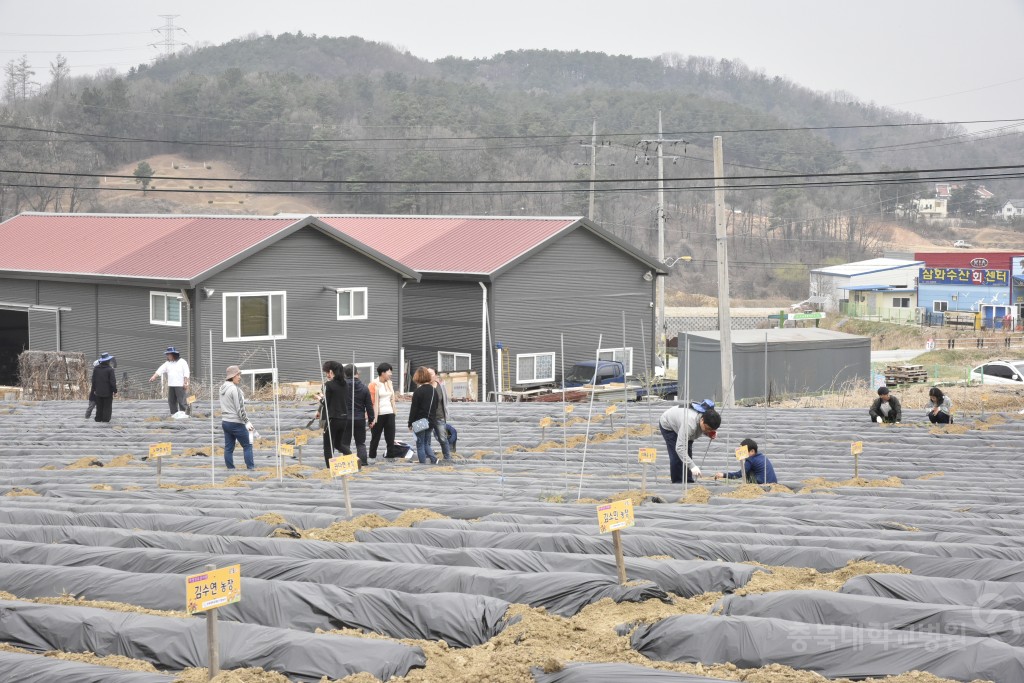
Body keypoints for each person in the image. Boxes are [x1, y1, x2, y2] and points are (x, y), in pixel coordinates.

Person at [658, 399, 721, 484]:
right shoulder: (690, 424)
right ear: (702, 420)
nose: (708, 430)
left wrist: (709, 433)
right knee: (676, 456)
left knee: (687, 454)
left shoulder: (709, 417)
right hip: (669, 425)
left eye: (711, 429)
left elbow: (703, 428)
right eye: (707, 429)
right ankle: (678, 482)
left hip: (683, 426)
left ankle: (688, 481)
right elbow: (679, 448)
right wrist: (693, 466)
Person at [317, 360, 352, 468]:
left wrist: (320, 398)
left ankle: (330, 469)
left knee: (328, 445)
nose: (326, 375)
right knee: (338, 443)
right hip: (344, 419)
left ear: (331, 372)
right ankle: (352, 457)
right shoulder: (345, 384)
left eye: (327, 372)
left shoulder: (329, 385)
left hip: (332, 419)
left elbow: (326, 403)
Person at [220, 365, 255, 470]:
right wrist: (247, 422)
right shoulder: (235, 390)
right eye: (238, 375)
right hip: (236, 422)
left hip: (225, 422)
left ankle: (230, 469)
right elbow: (240, 409)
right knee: (247, 445)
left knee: (229, 448)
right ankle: (251, 468)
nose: (239, 377)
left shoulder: (222, 388)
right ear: (232, 376)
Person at [343, 364, 375, 466]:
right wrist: (371, 420)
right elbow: (369, 406)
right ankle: (363, 463)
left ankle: (347, 463)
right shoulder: (364, 388)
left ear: (344, 374)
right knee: (360, 443)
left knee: (345, 443)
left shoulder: (342, 387)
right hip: (359, 419)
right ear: (356, 373)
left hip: (345, 419)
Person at [408, 366, 438, 464]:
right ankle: (433, 459)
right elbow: (435, 406)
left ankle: (422, 465)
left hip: (420, 422)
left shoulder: (418, 392)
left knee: (420, 445)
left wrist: (410, 423)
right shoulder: (434, 391)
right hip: (431, 421)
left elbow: (414, 409)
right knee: (426, 444)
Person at [149, 346, 190, 416]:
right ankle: (174, 414)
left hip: (180, 385)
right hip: (171, 385)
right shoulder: (167, 363)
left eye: (168, 354)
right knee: (171, 401)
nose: (167, 356)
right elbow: (160, 370)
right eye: (167, 355)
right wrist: (154, 376)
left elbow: (186, 372)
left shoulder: (182, 362)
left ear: (173, 354)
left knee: (182, 400)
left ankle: (184, 414)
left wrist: (185, 382)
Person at [369, 362, 398, 460]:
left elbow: (392, 398)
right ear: (382, 373)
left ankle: (391, 456)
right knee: (375, 437)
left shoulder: (389, 383)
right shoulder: (373, 384)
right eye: (389, 372)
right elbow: (371, 401)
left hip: (390, 413)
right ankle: (372, 456)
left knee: (390, 437)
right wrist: (371, 417)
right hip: (379, 414)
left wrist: (394, 411)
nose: (391, 374)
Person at [428, 367, 453, 461]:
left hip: (439, 416)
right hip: (427, 418)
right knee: (427, 440)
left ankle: (447, 457)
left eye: (431, 374)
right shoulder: (424, 386)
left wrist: (446, 413)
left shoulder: (441, 387)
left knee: (443, 438)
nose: (429, 376)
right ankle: (430, 458)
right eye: (427, 374)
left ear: (436, 375)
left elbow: (445, 401)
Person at [85, 353, 116, 419]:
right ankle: (105, 420)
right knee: (107, 407)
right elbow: (112, 382)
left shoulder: (96, 369)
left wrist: (94, 390)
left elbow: (93, 381)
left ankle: (98, 419)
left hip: (97, 392)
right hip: (107, 393)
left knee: (99, 407)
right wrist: (114, 390)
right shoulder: (110, 370)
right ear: (108, 361)